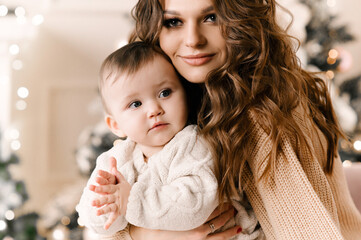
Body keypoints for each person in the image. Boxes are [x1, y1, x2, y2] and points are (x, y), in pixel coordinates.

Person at [98, 0, 361, 239]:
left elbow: (306, 230)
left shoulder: (265, 109)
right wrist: (149, 235)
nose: (193, 40)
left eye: (211, 18)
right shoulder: (173, 104)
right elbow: (105, 223)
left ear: (241, 21)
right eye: (174, 22)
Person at [76, 41, 260, 239]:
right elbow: (100, 225)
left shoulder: (192, 144)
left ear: (185, 96)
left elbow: (194, 206)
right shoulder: (115, 160)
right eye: (135, 104)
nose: (154, 109)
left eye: (165, 93)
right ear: (115, 125)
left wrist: (130, 201)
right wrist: (103, 202)